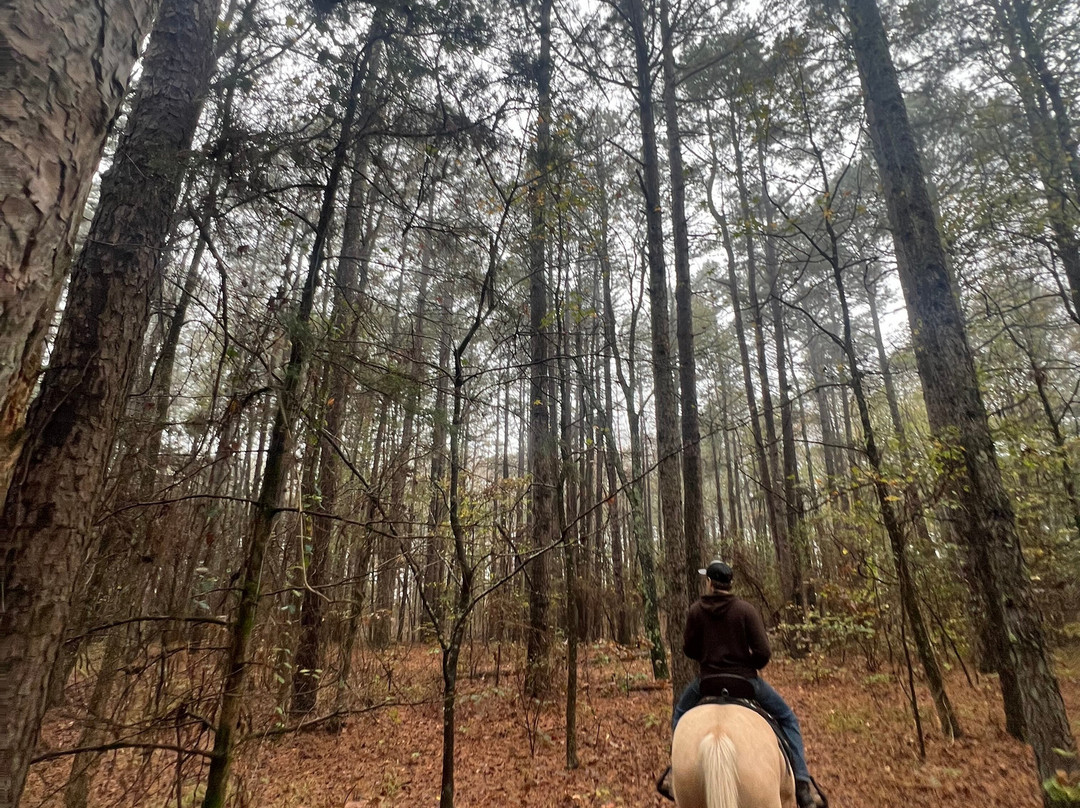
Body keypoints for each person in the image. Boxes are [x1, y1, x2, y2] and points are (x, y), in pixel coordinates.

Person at [656, 560, 828, 808]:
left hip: (707, 682)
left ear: (709, 583)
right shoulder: (746, 610)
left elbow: (689, 649)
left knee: (681, 713)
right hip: (745, 682)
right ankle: (802, 784)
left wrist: (709, 656)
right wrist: (745, 664)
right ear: (729, 584)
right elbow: (763, 653)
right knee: (788, 719)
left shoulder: (696, 611)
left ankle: (675, 771)